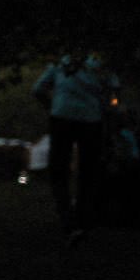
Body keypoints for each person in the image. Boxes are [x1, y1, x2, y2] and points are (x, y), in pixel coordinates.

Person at [34, 53, 120, 239]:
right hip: (91, 120)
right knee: (89, 168)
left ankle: (66, 215)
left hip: (61, 117)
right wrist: (111, 112)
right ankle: (84, 216)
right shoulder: (102, 65)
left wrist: (53, 106)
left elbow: (38, 89)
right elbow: (113, 95)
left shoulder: (60, 62)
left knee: (59, 167)